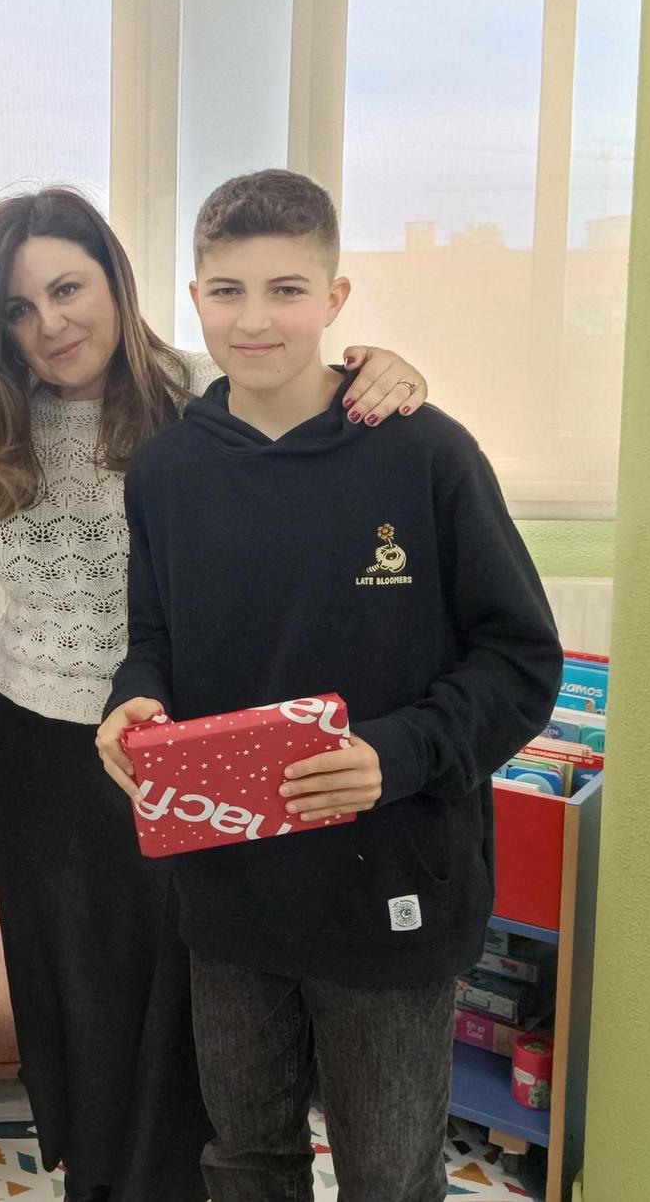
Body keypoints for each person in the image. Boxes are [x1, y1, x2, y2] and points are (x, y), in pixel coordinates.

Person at [0, 186, 431, 1202]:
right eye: (18, 310)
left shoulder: (206, 393)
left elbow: (325, 395)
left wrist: (383, 367)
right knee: (75, 997)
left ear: (115, 283)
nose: (51, 324)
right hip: (40, 754)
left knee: (194, 1010)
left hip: (185, 748)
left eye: (67, 288)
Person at [97, 169, 561, 1202]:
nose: (253, 319)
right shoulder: (166, 474)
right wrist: (131, 702)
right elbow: (154, 642)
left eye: (285, 289)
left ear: (335, 299)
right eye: (225, 291)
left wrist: (391, 758)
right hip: (226, 893)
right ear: (193, 297)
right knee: (245, 1162)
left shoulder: (424, 453)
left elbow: (520, 661)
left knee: (388, 1177)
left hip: (391, 886)